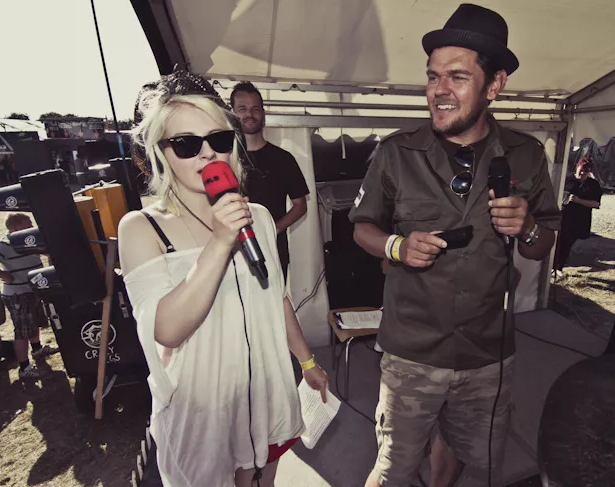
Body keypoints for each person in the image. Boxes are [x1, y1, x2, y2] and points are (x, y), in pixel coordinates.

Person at [349, 5, 561, 486]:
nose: (439, 90)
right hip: (412, 351)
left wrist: (527, 226)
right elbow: (362, 228)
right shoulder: (396, 152)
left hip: (487, 352)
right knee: (394, 467)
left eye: (457, 77)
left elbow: (542, 244)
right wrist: (397, 246)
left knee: (466, 451)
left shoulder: (527, 155)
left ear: (494, 85)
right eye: (433, 76)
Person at [119, 71, 328, 487]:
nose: (207, 154)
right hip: (203, 414)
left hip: (264, 396)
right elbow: (166, 329)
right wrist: (219, 242)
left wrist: (307, 361)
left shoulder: (260, 217)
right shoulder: (141, 228)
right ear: (160, 152)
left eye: (219, 139)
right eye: (186, 144)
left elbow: (276, 298)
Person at [230, 81, 309, 281]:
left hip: (274, 251)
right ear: (232, 113)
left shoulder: (283, 159)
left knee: (275, 298)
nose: (250, 114)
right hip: (233, 251)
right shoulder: (225, 158)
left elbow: (300, 205)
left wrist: (274, 229)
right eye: (242, 109)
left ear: (263, 113)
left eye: (255, 109)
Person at [0, 213, 59, 380]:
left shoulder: (29, 240)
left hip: (34, 289)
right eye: (27, 224)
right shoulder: (4, 244)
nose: (31, 227)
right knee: (22, 331)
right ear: (15, 227)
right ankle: (24, 368)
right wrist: (4, 275)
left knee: (34, 323)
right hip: (17, 294)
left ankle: (37, 349)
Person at [553, 157, 602, 278]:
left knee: (566, 244)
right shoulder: (566, 179)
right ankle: (551, 267)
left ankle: (558, 268)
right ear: (577, 167)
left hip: (578, 221)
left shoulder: (593, 184)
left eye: (586, 171)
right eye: (582, 169)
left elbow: (596, 204)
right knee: (556, 242)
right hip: (562, 216)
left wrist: (579, 201)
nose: (583, 172)